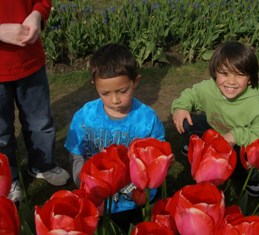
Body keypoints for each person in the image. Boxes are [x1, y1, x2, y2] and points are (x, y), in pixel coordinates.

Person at [64, 43, 165, 231]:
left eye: (122, 91)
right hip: (97, 199)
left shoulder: (146, 118)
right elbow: (76, 153)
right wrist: (86, 187)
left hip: (134, 200)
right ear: (95, 85)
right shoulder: (85, 117)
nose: (115, 100)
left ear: (136, 81)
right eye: (105, 93)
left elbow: (157, 154)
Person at [171, 41, 259, 197]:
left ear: (250, 78)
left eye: (240, 74)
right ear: (215, 73)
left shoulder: (257, 106)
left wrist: (236, 136)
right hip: (215, 127)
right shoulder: (209, 88)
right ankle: (195, 146)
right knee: (186, 121)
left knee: (244, 161)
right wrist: (181, 107)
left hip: (240, 143)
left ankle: (250, 179)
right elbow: (191, 94)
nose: (231, 81)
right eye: (225, 73)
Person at [0, 0, 70, 203]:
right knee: (1, 134)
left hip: (30, 60)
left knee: (40, 122)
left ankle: (42, 164)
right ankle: (8, 178)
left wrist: (38, 14)